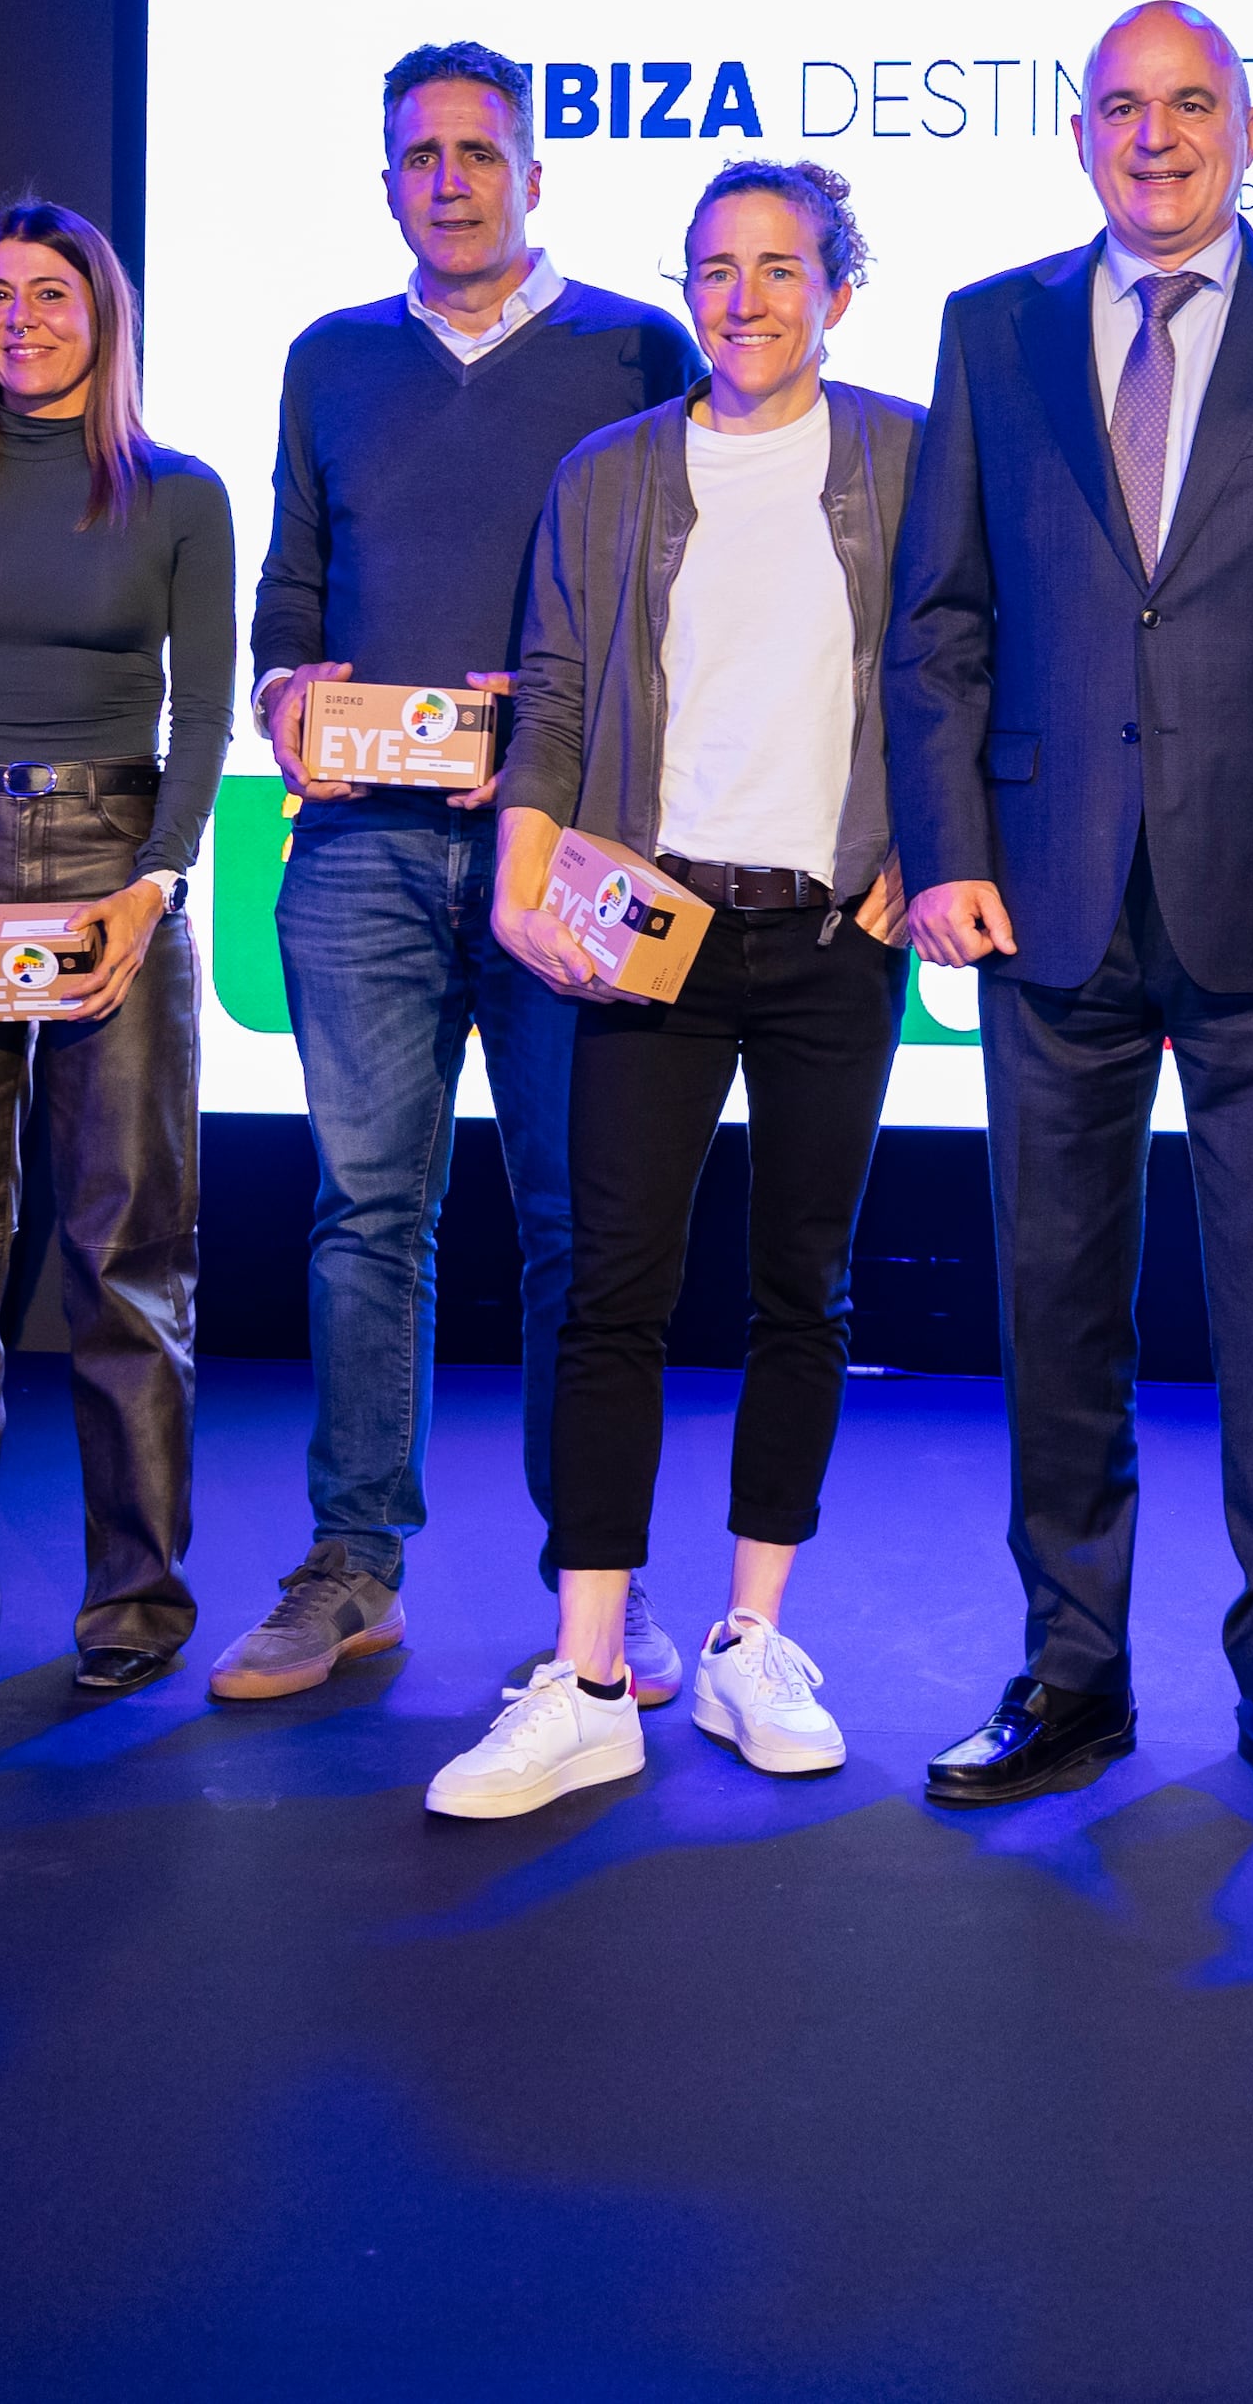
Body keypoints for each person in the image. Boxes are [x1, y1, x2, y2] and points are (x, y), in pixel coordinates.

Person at [885, 0, 1253, 1823]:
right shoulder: (990, 329)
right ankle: (1071, 1675)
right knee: (1057, 1301)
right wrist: (947, 840)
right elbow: (942, 621)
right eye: (1123, 108)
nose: (1157, 136)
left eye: (1190, 103)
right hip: (1040, 896)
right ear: (1077, 135)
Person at [427, 166, 923, 1816]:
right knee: (608, 1290)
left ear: (838, 292)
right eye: (717, 270)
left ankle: (752, 1640)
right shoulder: (609, 475)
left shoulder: (910, 458)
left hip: (833, 936)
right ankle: (583, 1677)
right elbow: (556, 698)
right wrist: (519, 871)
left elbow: (951, 674)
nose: (744, 298)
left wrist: (924, 848)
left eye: (782, 268)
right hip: (652, 930)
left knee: (807, 1286)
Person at [217, 43, 701, 1712]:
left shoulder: (639, 348)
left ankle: (598, 1588)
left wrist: (562, 728)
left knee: (581, 1220)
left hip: (566, 854)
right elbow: (291, 588)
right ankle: (353, 1564)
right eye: (418, 154)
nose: (449, 178)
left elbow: (685, 593)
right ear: (388, 181)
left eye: (478, 151)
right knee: (367, 1214)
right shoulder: (330, 359)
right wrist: (287, 694)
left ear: (534, 174)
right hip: (359, 847)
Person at [0, 203, 236, 1699]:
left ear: (103, 311)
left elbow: (198, 714)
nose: (22, 318)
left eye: (52, 292)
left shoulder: (179, 497)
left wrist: (153, 883)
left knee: (127, 1259)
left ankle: (136, 1604)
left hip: (105, 872)